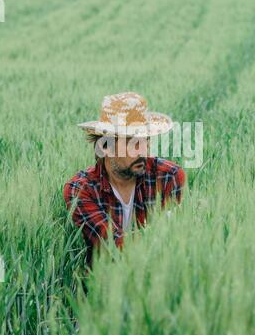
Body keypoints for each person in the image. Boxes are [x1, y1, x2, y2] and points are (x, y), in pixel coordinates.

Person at [63, 92, 186, 268]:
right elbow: (114, 246)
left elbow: (179, 245)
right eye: (132, 142)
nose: (143, 151)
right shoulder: (81, 190)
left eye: (146, 140)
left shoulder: (169, 178)